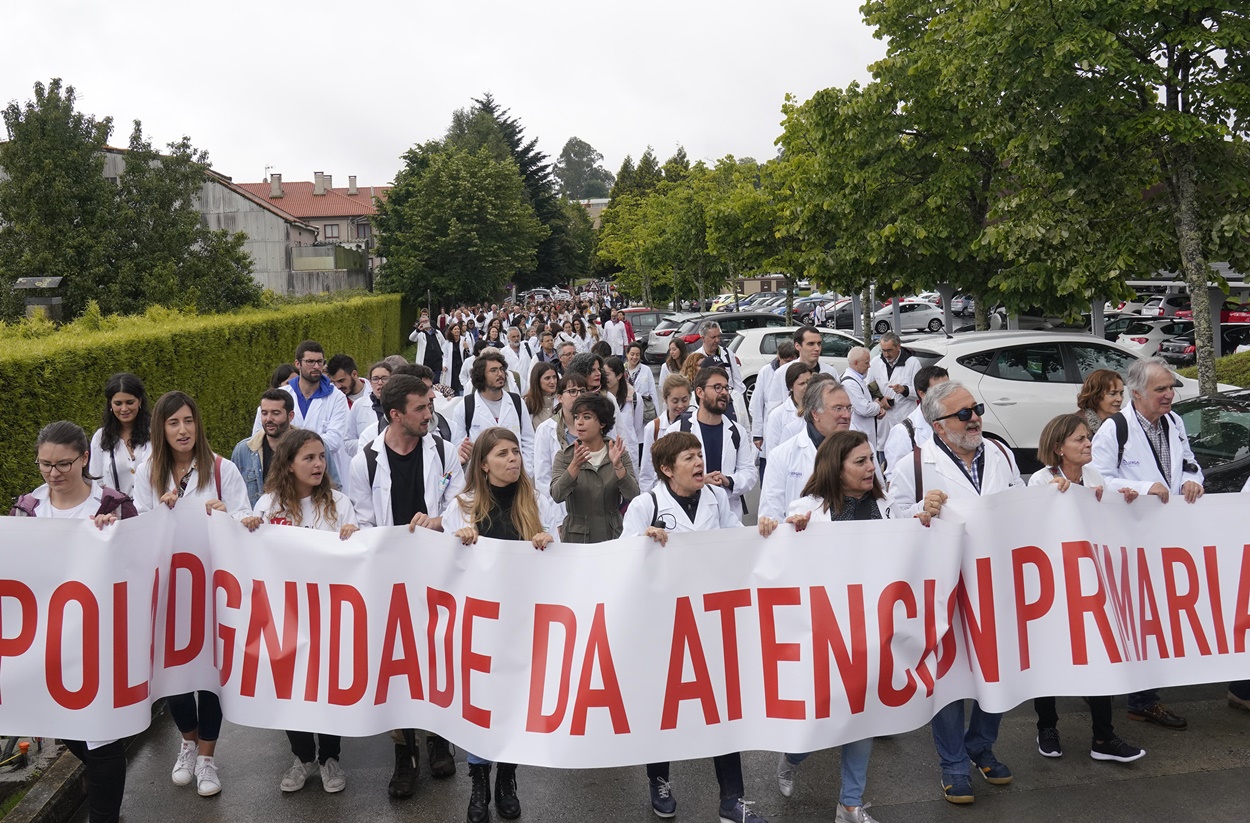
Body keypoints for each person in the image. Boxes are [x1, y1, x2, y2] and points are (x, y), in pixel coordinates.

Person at [885, 380, 1023, 804]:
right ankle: (954, 765)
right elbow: (891, 517)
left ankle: (981, 744)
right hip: (943, 588)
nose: (975, 418)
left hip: (994, 582)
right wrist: (918, 511)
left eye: (976, 408)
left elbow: (1019, 504)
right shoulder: (915, 465)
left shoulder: (1000, 453)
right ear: (938, 425)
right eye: (964, 414)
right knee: (947, 678)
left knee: (997, 671)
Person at [620, 432, 765, 823]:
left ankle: (732, 800)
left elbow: (737, 539)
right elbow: (621, 559)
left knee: (723, 707)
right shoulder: (645, 504)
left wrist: (764, 532)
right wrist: (642, 542)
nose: (700, 462)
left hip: (710, 621)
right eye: (689, 457)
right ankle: (659, 781)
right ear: (667, 469)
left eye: (700, 454)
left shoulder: (717, 498)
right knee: (662, 707)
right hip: (662, 625)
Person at [11, 421, 138, 823]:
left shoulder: (113, 505)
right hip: (50, 645)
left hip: (102, 645)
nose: (54, 473)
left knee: (103, 739)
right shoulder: (27, 510)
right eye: (45, 464)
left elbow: (141, 564)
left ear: (85, 458)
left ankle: (105, 817)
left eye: (64, 463)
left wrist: (116, 536)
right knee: (71, 729)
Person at [758, 429, 886, 823]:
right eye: (860, 462)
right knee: (821, 717)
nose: (870, 468)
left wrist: (928, 516)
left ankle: (850, 803)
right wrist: (778, 533)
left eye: (870, 459)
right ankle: (793, 756)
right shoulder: (806, 510)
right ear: (837, 468)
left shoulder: (889, 507)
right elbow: (778, 567)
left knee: (862, 716)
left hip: (872, 629)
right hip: (825, 630)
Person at [347, 374, 464, 796]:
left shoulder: (446, 452)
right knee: (395, 664)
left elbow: (461, 506)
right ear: (396, 414)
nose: (430, 415)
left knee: (436, 657)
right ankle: (404, 753)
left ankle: (437, 739)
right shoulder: (366, 461)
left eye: (430, 407)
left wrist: (439, 522)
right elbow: (362, 521)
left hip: (436, 574)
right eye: (422, 409)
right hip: (389, 579)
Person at [133, 391, 251, 798]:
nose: (183, 430)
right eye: (173, 423)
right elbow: (138, 528)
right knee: (176, 674)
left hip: (213, 588)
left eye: (188, 421)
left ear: (198, 424)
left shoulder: (222, 469)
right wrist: (158, 512)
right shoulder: (148, 472)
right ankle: (187, 741)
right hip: (170, 591)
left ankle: (206, 757)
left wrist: (226, 515)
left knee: (210, 676)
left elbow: (247, 521)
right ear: (161, 429)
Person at [442, 427, 558, 823]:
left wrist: (547, 541)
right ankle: (479, 782)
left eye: (515, 452)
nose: (513, 459)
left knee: (512, 705)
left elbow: (563, 560)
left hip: (524, 621)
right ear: (484, 464)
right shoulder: (463, 506)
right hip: (480, 625)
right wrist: (457, 541)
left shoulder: (537, 502)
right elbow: (443, 565)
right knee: (481, 707)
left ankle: (507, 777)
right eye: (503, 454)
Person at [241, 430, 359, 793]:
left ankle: (330, 758)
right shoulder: (268, 506)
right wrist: (247, 529)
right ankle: (303, 756)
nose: (318, 464)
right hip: (284, 614)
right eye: (308, 458)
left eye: (321, 456)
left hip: (327, 613)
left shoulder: (339, 504)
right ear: (288, 464)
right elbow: (249, 557)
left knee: (326, 687)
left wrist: (356, 534)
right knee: (292, 689)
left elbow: (359, 556)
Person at [1090, 357, 1202, 731]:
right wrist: (1142, 487)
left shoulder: (1174, 422)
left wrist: (1192, 480)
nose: (1169, 395)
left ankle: (1144, 699)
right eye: (1161, 390)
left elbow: (1188, 462)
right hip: (1128, 540)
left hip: (1167, 539)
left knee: (1159, 620)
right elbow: (1099, 481)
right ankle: (1136, 697)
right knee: (1135, 620)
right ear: (1137, 394)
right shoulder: (1114, 429)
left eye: (1171, 387)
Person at [1027, 413, 1145, 763]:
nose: (1089, 443)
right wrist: (1055, 499)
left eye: (1088, 437)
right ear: (1059, 448)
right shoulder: (1039, 480)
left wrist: (1118, 500)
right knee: (1048, 656)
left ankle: (1103, 737)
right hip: (1052, 585)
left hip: (1092, 583)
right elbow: (1031, 530)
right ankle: (1047, 727)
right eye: (1080, 439)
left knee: (1098, 653)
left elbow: (1106, 523)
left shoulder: (1094, 476)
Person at [662, 366, 757, 516]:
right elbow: (665, 476)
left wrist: (728, 481)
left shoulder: (737, 432)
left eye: (726, 387)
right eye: (717, 387)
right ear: (700, 392)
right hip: (689, 513)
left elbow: (749, 472)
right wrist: (699, 482)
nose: (724, 392)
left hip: (728, 514)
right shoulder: (677, 431)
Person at [255, 340, 350, 489]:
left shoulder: (337, 398)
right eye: (310, 362)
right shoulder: (281, 395)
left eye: (320, 362)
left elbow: (334, 441)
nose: (316, 366)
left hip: (321, 475)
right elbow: (260, 434)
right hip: (283, 472)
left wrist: (292, 446)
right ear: (298, 364)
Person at [758, 377, 852, 520]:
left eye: (849, 408)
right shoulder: (781, 455)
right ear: (815, 413)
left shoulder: (863, 448)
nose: (846, 415)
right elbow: (770, 517)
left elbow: (877, 498)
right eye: (838, 408)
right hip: (801, 538)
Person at [551, 393, 639, 542]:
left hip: (613, 535)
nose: (579, 422)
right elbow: (557, 495)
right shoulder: (565, 456)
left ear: (602, 423)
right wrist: (574, 466)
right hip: (578, 539)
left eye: (586, 417)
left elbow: (634, 495)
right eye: (577, 416)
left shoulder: (618, 453)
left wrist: (618, 468)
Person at [450, 350, 536, 470]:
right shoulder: (465, 406)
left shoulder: (517, 402)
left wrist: (526, 470)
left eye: (501, 369)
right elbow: (459, 446)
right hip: (480, 477)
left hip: (514, 474)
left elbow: (528, 440)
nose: (500, 374)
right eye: (493, 370)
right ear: (481, 375)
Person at [881, 365, 949, 486]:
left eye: (948, 389)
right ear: (922, 394)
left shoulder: (955, 420)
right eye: (939, 391)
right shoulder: (904, 433)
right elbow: (895, 481)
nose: (947, 395)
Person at [760, 327, 839, 425]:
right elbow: (773, 408)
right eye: (811, 344)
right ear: (797, 346)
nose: (817, 348)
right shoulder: (782, 372)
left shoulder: (830, 372)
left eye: (819, 343)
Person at [89, 372, 152, 496]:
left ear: (139, 401)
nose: (124, 409)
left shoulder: (156, 433)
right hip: (117, 513)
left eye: (129, 402)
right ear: (110, 404)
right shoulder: (100, 438)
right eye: (118, 404)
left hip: (154, 509)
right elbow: (96, 481)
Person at [232, 388, 296, 506]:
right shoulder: (243, 450)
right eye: (264, 413)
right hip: (256, 522)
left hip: (297, 521)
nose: (268, 419)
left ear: (290, 415)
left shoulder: (311, 447)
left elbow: (333, 489)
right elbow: (232, 494)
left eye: (275, 413)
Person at [762, 362, 814, 470]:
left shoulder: (819, 410)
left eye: (809, 382)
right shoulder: (777, 415)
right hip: (788, 471)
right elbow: (772, 452)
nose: (807, 387)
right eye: (802, 383)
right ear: (790, 386)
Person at [749, 340, 798, 452]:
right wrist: (757, 434)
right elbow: (757, 404)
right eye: (786, 362)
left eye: (792, 361)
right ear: (778, 357)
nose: (788, 366)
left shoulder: (799, 375)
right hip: (770, 428)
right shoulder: (766, 372)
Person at [867, 331, 922, 430]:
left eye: (889, 350)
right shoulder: (876, 362)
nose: (886, 354)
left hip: (904, 415)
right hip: (883, 418)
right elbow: (868, 386)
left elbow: (920, 391)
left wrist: (905, 390)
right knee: (882, 445)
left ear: (898, 346)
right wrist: (880, 399)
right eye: (883, 351)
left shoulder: (913, 363)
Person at [841, 346, 889, 456]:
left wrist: (876, 409)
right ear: (856, 363)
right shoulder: (849, 383)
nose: (869, 366)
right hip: (859, 433)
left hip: (865, 432)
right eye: (866, 363)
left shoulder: (858, 379)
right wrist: (878, 405)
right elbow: (864, 409)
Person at [693, 320, 744, 420]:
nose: (717, 340)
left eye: (718, 336)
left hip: (727, 404)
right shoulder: (695, 357)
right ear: (703, 338)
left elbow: (737, 381)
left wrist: (737, 403)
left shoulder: (728, 354)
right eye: (713, 337)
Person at [604, 356, 644, 460]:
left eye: (607, 375)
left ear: (619, 375)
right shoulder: (602, 399)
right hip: (608, 452)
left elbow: (637, 428)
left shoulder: (634, 399)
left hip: (629, 452)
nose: (604, 378)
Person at [1076, 368, 1125, 435]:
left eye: (1121, 393)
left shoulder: (1127, 421)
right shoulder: (1077, 425)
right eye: (1113, 394)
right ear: (1096, 395)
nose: (1119, 399)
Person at [625, 341, 657, 422]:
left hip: (644, 409)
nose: (634, 357)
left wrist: (657, 414)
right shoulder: (622, 370)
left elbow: (653, 392)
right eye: (632, 354)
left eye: (637, 355)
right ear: (627, 354)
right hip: (627, 407)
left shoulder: (646, 369)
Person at [410, 315, 447, 381]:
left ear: (429, 321)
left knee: (436, 382)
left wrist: (444, 362)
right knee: (425, 382)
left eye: (426, 321)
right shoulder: (420, 334)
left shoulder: (437, 333)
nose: (425, 323)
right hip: (425, 363)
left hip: (437, 363)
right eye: (422, 322)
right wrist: (418, 330)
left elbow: (444, 345)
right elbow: (411, 338)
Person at [525, 361, 560, 429]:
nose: (552, 382)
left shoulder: (562, 400)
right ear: (537, 380)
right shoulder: (527, 403)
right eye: (547, 378)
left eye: (554, 377)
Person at [444, 322, 472, 396]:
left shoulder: (464, 340)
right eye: (455, 329)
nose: (457, 331)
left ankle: (462, 395)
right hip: (452, 366)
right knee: (453, 381)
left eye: (458, 329)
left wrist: (467, 348)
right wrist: (444, 365)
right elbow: (445, 355)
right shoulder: (447, 342)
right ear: (451, 331)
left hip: (461, 364)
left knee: (462, 381)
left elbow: (471, 352)